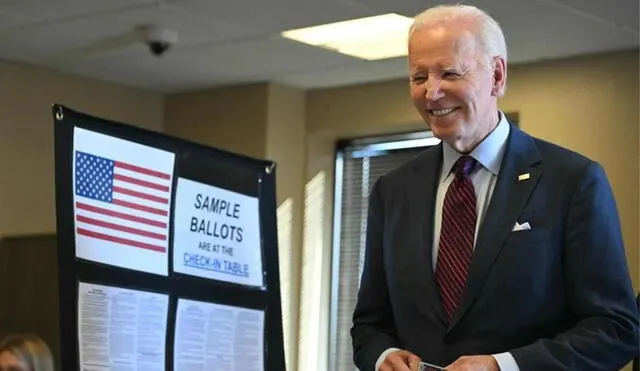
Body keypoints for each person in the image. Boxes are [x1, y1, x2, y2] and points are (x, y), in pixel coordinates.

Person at [350, 4, 639, 371]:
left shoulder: (573, 180)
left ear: (497, 76)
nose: (432, 93)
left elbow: (616, 330)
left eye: (450, 73)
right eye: (418, 77)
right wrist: (382, 357)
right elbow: (369, 324)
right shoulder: (393, 191)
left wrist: (503, 366)